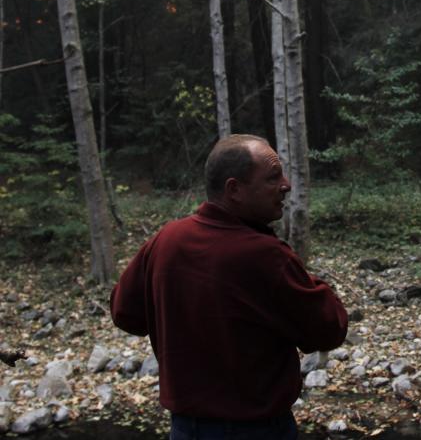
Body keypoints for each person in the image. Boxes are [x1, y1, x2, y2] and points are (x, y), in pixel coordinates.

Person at [110, 134, 348, 440]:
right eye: (273, 177)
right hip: (258, 431)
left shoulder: (166, 240)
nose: (286, 185)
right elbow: (330, 329)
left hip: (185, 429)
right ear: (234, 189)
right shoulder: (265, 256)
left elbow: (124, 313)